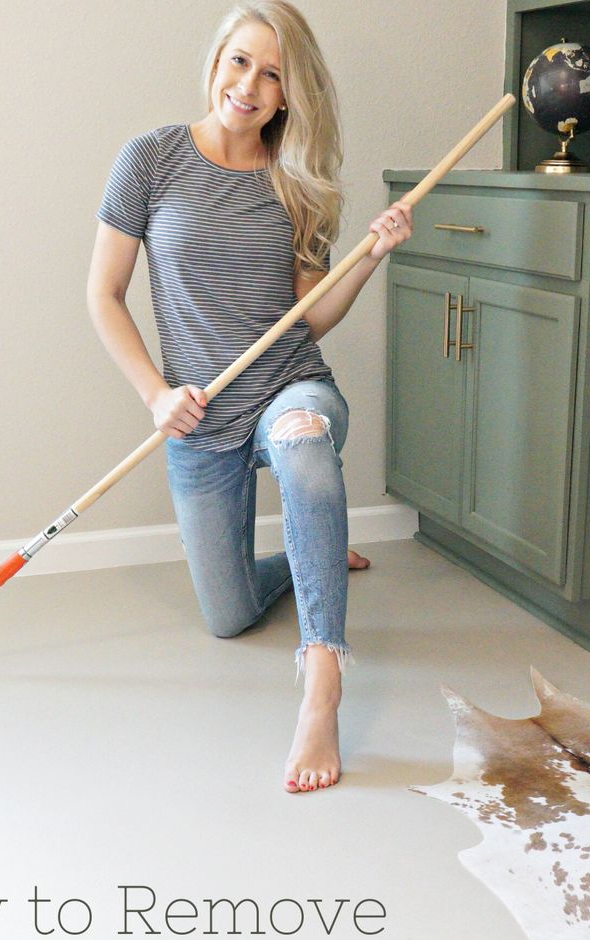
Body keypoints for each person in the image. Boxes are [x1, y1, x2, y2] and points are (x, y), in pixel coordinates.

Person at [86, 1, 412, 793]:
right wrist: (158, 396)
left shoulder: (299, 182)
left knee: (304, 441)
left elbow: (312, 316)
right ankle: (312, 553)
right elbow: (104, 294)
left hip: (286, 385)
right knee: (228, 616)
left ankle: (324, 682)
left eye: (273, 73)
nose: (251, 84)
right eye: (240, 61)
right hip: (198, 415)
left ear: (290, 92)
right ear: (216, 61)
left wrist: (368, 257)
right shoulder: (151, 158)